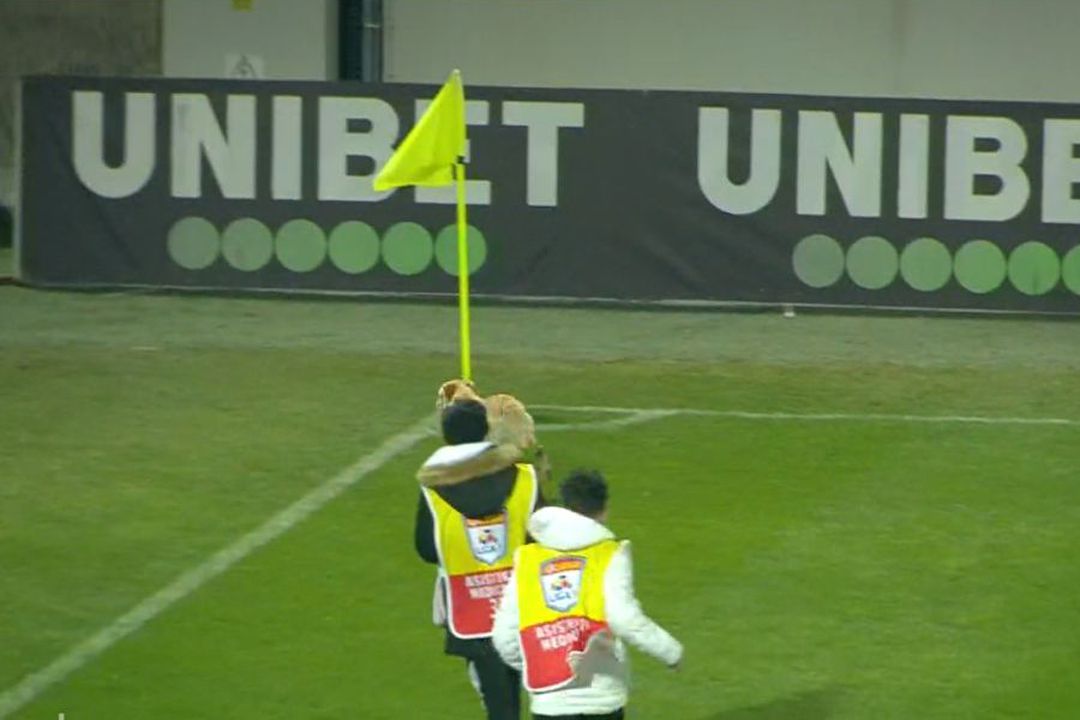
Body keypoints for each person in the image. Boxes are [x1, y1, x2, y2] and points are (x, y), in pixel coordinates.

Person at [492, 470, 683, 719]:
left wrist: (535, 663)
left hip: (550, 702)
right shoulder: (610, 553)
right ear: (604, 509)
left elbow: (503, 636)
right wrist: (670, 651)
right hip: (601, 696)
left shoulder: (528, 559)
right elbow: (625, 619)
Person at [415, 398, 544, 720]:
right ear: (486, 430)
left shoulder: (433, 489)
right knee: (545, 695)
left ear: (446, 435)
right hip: (523, 601)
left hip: (469, 609)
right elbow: (542, 533)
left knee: (498, 703)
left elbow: (426, 548)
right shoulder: (525, 477)